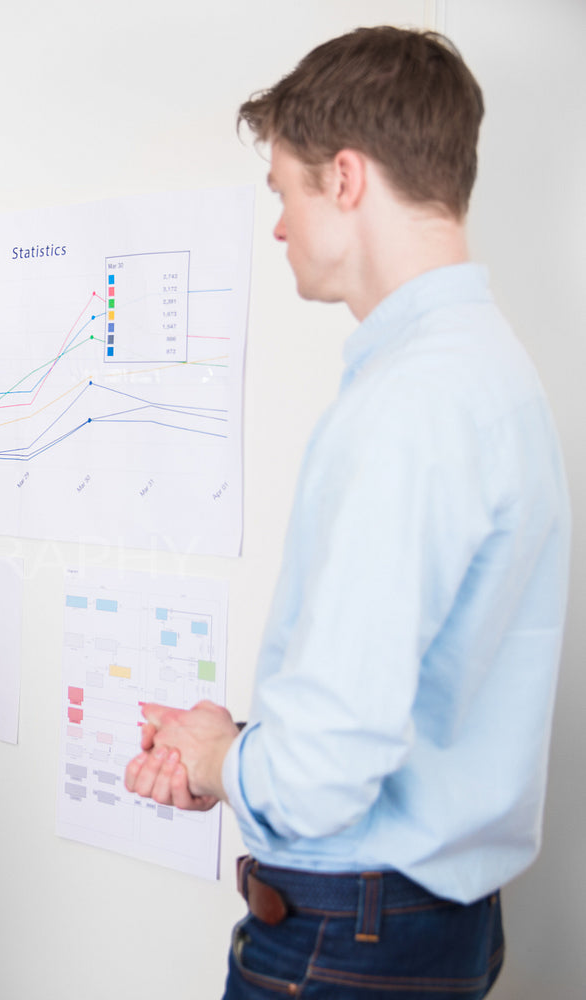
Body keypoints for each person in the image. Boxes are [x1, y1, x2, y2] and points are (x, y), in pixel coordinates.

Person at [124, 27, 569, 999]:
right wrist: (240, 744)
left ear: (349, 178)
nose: (278, 224)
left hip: (347, 944)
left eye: (283, 188)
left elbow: (326, 769)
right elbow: (398, 701)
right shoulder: (488, 374)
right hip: (418, 926)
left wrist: (221, 757)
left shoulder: (414, 404)